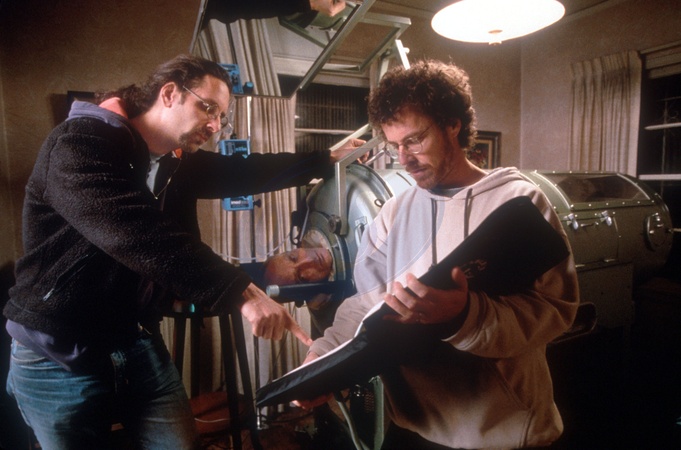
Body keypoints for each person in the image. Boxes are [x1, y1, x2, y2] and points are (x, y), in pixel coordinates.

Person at [3, 54, 363, 449]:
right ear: (170, 93)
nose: (214, 125)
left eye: (221, 116)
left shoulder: (170, 161)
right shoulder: (80, 142)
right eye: (207, 108)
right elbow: (134, 231)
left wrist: (325, 160)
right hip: (56, 350)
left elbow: (243, 171)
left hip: (133, 339)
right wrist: (240, 291)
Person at [295, 60, 580, 449]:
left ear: (452, 124)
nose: (404, 159)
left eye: (414, 140)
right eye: (395, 146)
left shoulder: (520, 202)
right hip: (411, 426)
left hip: (502, 432)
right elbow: (365, 308)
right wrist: (323, 361)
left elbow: (556, 309)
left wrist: (464, 315)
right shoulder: (393, 213)